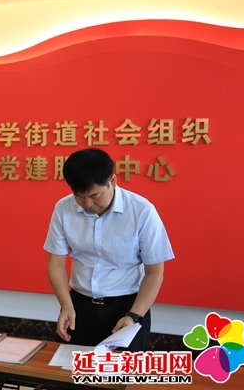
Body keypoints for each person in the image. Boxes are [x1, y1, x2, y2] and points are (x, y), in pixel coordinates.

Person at [44, 148, 174, 351]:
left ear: (112, 181)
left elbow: (155, 272)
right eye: (79, 196)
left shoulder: (141, 211)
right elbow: (56, 263)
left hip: (127, 308)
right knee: (72, 368)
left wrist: (134, 316)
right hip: (79, 307)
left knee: (126, 370)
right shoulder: (63, 208)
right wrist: (66, 305)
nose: (88, 204)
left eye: (94, 195)